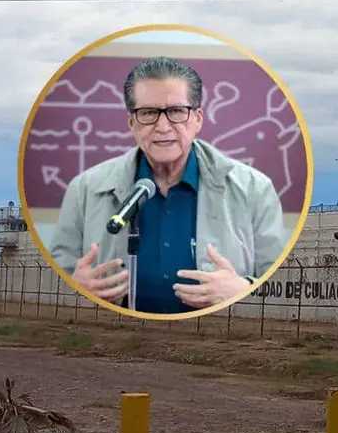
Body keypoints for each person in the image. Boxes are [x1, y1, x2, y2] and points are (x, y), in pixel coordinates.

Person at [47, 56, 289, 314]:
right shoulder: (84, 190)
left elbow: (277, 281)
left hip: (217, 335)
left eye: (176, 112)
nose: (163, 127)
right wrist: (76, 287)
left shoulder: (255, 190)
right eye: (148, 113)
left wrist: (242, 289)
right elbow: (56, 276)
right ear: (131, 122)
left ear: (197, 119)